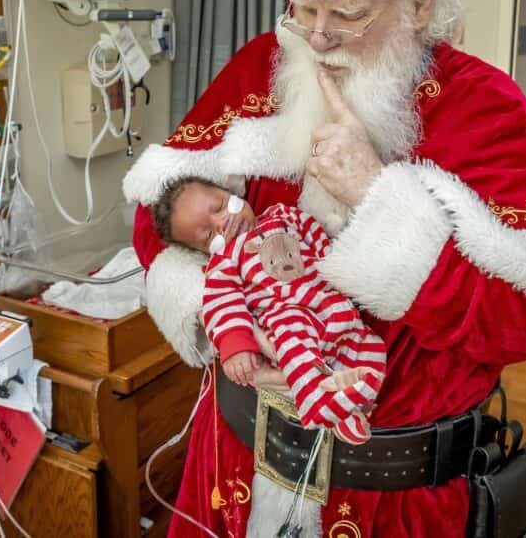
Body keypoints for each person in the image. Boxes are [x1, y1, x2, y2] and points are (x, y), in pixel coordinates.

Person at [123, 0, 526, 538]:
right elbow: (157, 208)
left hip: (392, 498)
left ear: (420, 4)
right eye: (303, 10)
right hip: (231, 462)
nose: (317, 38)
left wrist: (378, 197)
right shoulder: (260, 69)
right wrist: (230, 301)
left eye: (346, 14)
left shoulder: (489, 112)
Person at [152, 177, 387, 445]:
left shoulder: (284, 215)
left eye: (218, 207)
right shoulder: (225, 261)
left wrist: (339, 267)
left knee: (368, 346)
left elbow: (318, 240)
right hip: (286, 318)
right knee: (297, 351)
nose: (222, 224)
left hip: (330, 304)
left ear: (230, 192)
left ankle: (353, 403)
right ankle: (327, 409)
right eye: (208, 235)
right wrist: (236, 346)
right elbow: (222, 304)